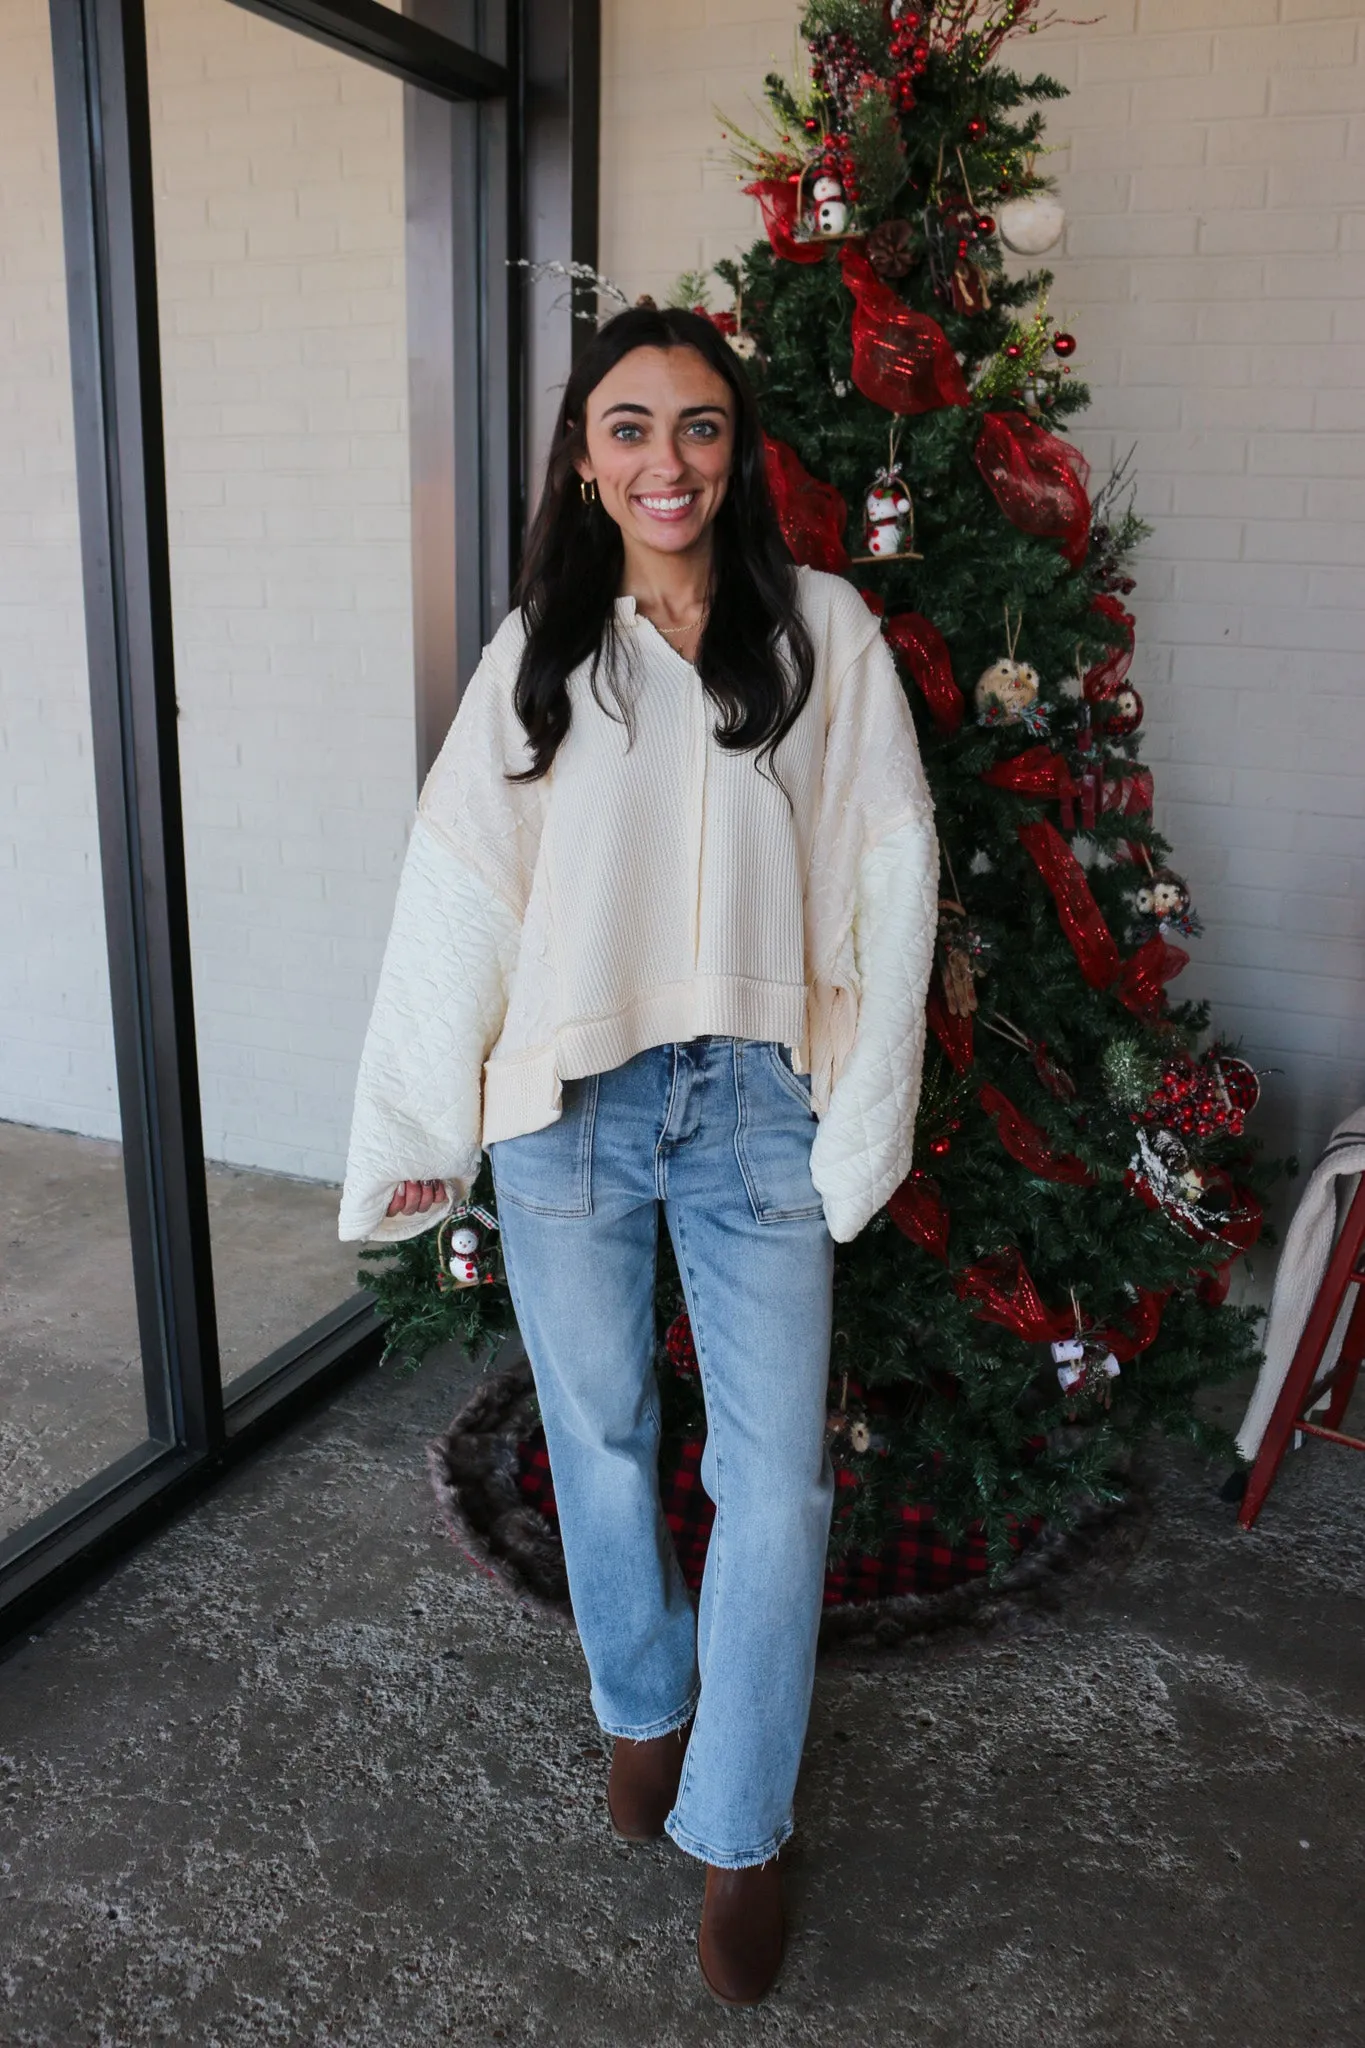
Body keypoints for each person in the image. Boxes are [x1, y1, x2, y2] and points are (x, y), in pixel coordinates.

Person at [338, 305, 938, 2006]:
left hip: (757, 1101)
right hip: (570, 1112)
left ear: (734, 451)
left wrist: (866, 1111)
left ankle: (739, 1832)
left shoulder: (819, 631)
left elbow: (892, 879)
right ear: (584, 460)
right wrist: (412, 1139)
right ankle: (641, 1708)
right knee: (596, 1436)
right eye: (627, 428)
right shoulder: (542, 648)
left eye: (695, 428)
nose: (662, 461)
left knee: (781, 1482)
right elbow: (455, 903)